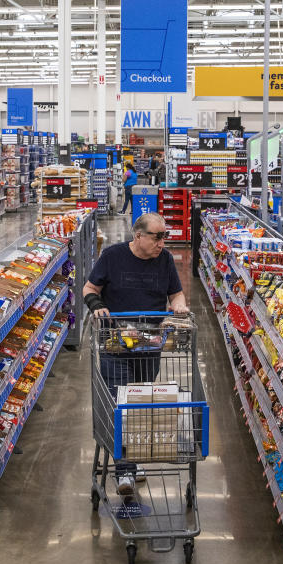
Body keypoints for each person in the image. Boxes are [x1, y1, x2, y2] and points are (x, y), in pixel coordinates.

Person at [82, 212, 189, 497]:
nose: (162, 242)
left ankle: (131, 460)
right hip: (114, 345)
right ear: (138, 235)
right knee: (121, 404)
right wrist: (97, 306)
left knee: (139, 406)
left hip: (149, 347)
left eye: (165, 236)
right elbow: (89, 288)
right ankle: (125, 471)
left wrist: (179, 307)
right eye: (158, 236)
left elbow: (176, 294)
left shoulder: (164, 260)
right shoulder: (113, 257)